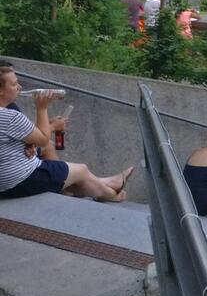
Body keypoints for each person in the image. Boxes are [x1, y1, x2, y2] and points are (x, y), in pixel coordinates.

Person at [0, 73, 130, 202]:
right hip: (14, 181)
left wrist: (30, 142)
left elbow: (16, 134)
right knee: (81, 170)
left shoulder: (8, 113)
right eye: (14, 84)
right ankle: (111, 194)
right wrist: (42, 108)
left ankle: (86, 184)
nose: (19, 87)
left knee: (60, 160)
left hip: (7, 176)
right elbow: (42, 139)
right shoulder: (10, 116)